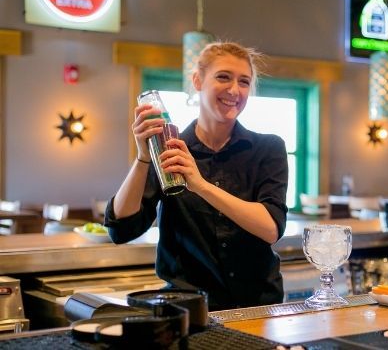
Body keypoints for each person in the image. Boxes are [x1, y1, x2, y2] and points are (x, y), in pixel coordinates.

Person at [104, 42, 289, 311]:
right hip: (188, 307)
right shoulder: (171, 148)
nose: (234, 90)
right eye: (223, 77)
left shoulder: (268, 148)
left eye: (244, 82)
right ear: (198, 81)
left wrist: (200, 185)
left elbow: (271, 228)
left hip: (257, 306)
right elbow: (122, 229)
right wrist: (144, 157)